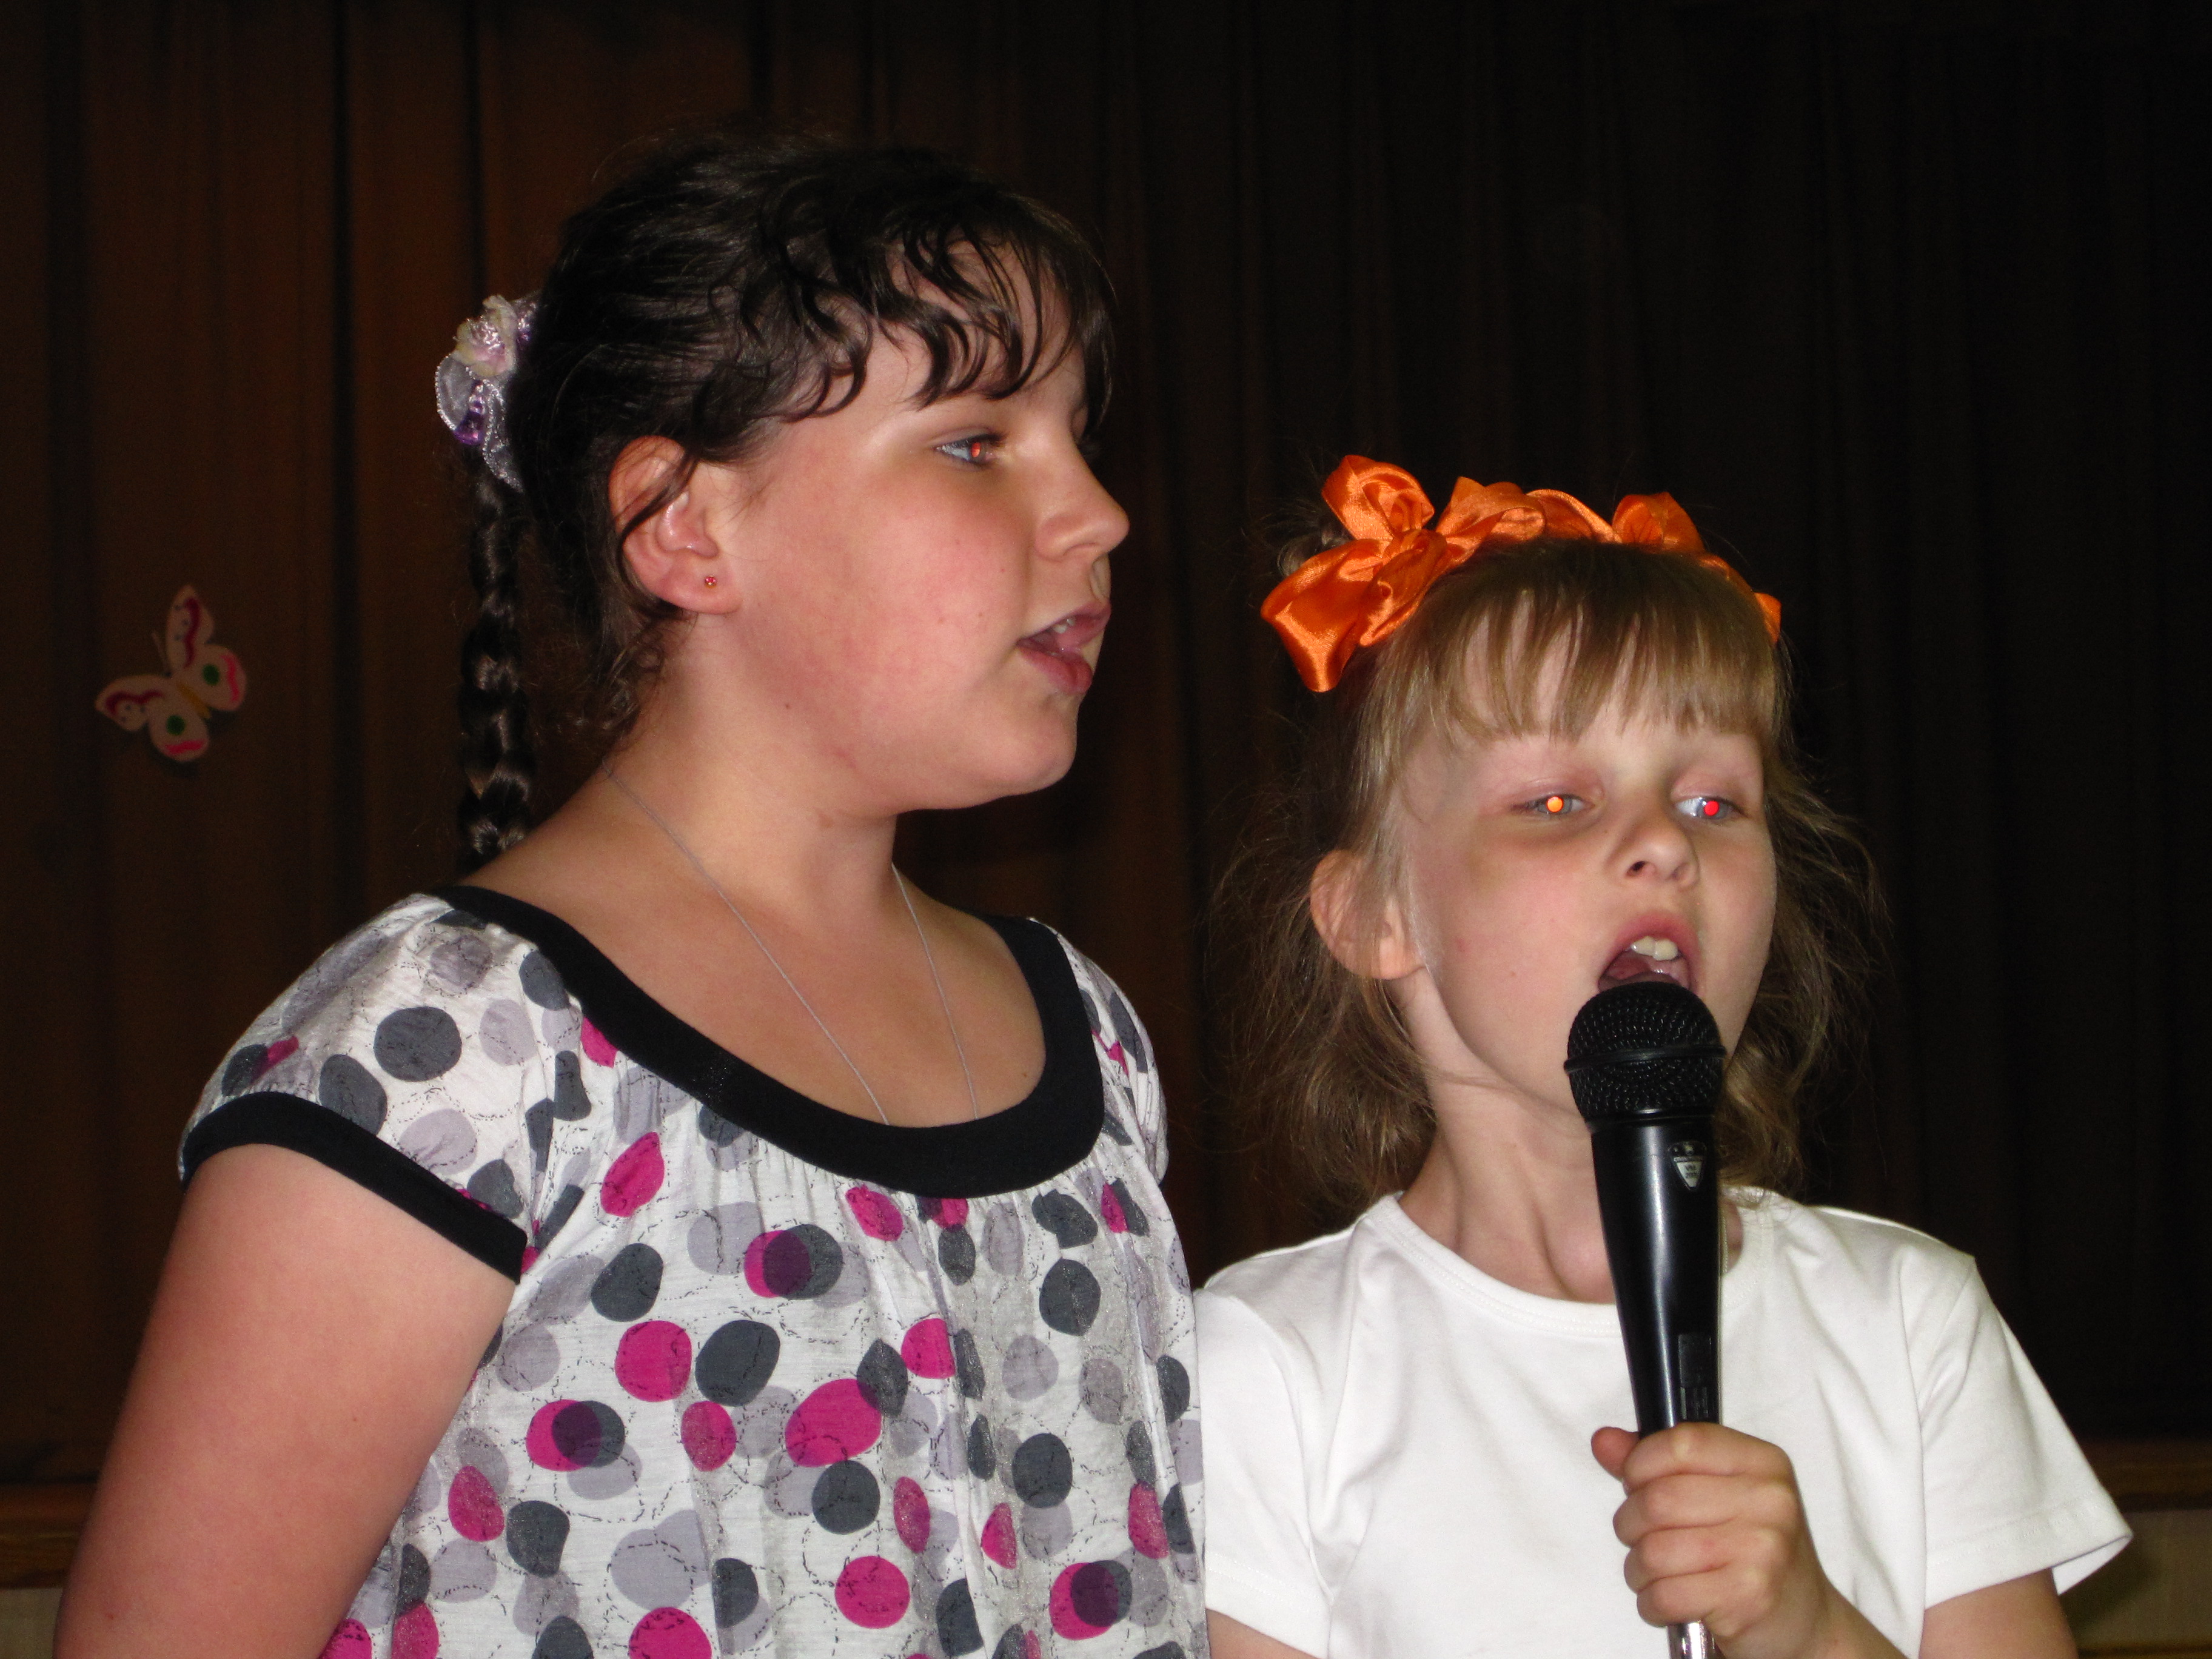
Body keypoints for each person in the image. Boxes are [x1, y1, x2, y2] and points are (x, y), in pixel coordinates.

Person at [59, 136, 1203, 1659]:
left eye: (1082, 436)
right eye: (979, 442)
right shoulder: (447, 1056)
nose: (1101, 514)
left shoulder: (1090, 1035)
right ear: (686, 528)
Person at [1197, 457, 2126, 1659]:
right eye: (1555, 802)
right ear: (1375, 914)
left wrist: (1813, 1633)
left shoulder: (1905, 1321)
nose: (1663, 847)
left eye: (1712, 804)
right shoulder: (1269, 1369)